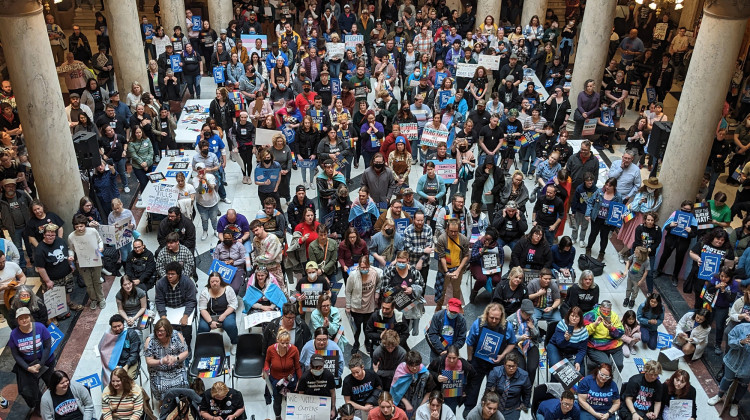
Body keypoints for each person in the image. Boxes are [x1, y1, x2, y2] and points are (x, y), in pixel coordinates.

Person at [463, 303, 516, 416]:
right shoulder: (478, 324)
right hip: (478, 361)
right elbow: (469, 343)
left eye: (497, 318)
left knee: (493, 388)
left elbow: (512, 343)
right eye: (491, 317)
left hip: (496, 363)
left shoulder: (507, 326)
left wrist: (502, 356)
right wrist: (470, 360)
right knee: (473, 385)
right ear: (486, 314)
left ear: (501, 317)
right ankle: (469, 408)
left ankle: (489, 411)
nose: (493, 320)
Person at [9, 307, 56, 413]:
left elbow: (47, 347)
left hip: (45, 363)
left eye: (26, 317)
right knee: (31, 390)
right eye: (21, 318)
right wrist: (28, 368)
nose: (24, 320)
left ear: (30, 317)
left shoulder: (40, 327)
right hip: (28, 366)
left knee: (52, 382)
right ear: (17, 320)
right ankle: (40, 407)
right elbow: (16, 355)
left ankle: (56, 400)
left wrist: (40, 364)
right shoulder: (14, 334)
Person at [35, 223, 81, 320]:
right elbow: (40, 268)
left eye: (53, 235)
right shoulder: (40, 249)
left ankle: (69, 303)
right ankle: (53, 317)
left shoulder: (60, 241)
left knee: (68, 290)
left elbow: (65, 254)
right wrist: (47, 281)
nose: (50, 237)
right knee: (53, 298)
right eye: (48, 235)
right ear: (44, 235)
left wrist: (71, 264)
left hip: (66, 273)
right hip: (52, 278)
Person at [144, 318, 189, 406]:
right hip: (159, 370)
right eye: (157, 331)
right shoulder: (150, 340)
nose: (159, 333)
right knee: (161, 387)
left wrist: (176, 358)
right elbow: (148, 361)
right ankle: (164, 405)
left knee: (184, 382)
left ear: (168, 331)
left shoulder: (177, 336)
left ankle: (182, 404)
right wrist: (161, 361)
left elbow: (185, 352)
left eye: (161, 331)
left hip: (176, 367)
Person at [154, 261, 197, 351]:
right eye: (168, 274)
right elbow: (159, 301)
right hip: (168, 308)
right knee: (162, 327)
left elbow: (191, 300)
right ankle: (166, 347)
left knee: (186, 327)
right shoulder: (160, 283)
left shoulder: (187, 282)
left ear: (178, 275)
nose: (169, 276)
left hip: (183, 307)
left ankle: (186, 348)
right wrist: (163, 316)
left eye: (172, 274)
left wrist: (186, 315)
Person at [68, 214, 105, 310]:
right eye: (77, 227)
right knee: (88, 283)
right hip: (82, 262)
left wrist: (101, 248)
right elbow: (70, 249)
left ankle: (101, 299)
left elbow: (99, 240)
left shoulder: (92, 231)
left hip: (95, 259)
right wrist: (71, 256)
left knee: (97, 281)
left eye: (81, 226)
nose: (79, 229)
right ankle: (93, 299)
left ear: (85, 224)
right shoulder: (71, 236)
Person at [264, 329, 302, 420]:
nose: (285, 345)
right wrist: (265, 369)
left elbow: (297, 366)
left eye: (287, 343)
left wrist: (300, 381)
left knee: (292, 400)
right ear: (278, 341)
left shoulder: (294, 350)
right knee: (277, 401)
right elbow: (267, 361)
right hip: (276, 380)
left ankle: (292, 417)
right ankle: (278, 417)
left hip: (290, 379)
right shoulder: (271, 349)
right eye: (282, 343)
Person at [198, 272, 239, 353]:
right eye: (212, 282)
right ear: (209, 282)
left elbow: (234, 305)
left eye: (217, 281)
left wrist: (224, 315)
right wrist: (210, 322)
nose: (214, 283)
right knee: (203, 327)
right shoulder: (205, 292)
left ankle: (234, 343)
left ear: (220, 281)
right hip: (210, 314)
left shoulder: (228, 289)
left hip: (225, 312)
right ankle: (203, 345)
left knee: (230, 325)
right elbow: (202, 309)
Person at [585, 177, 623, 262]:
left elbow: (619, 210)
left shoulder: (618, 196)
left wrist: (617, 222)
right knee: (593, 234)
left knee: (604, 237)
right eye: (606, 184)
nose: (607, 187)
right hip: (597, 218)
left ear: (614, 186)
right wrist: (588, 214)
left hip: (607, 222)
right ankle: (588, 248)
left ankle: (602, 253)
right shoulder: (599, 192)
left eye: (610, 185)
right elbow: (590, 202)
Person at [435, 219, 469, 310]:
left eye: (456, 231)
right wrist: (446, 271)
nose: (454, 234)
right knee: (442, 289)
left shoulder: (463, 239)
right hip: (444, 269)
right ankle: (439, 305)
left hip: (457, 268)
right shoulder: (442, 239)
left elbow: (466, 256)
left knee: (456, 289)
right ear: (447, 229)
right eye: (451, 231)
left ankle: (457, 305)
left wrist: (458, 271)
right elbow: (442, 256)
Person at [99, 314, 141, 383]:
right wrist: (113, 366)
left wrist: (126, 366)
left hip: (130, 362)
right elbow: (104, 351)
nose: (117, 329)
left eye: (119, 326)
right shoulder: (109, 336)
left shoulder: (131, 334)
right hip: (114, 363)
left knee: (126, 379)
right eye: (114, 327)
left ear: (123, 324)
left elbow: (134, 353)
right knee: (111, 379)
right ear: (111, 327)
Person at [583, 301, 625, 371]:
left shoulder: (614, 316)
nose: (606, 313)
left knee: (619, 365)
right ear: (600, 308)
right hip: (596, 347)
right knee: (606, 365)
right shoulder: (591, 315)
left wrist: (611, 328)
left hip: (614, 345)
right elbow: (583, 332)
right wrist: (595, 324)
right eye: (603, 310)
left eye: (608, 311)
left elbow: (620, 333)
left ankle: (613, 379)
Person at [547, 306, 589, 374]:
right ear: (568, 315)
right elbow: (560, 344)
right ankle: (554, 384)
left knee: (580, 371)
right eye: (572, 316)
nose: (574, 318)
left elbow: (582, 350)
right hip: (556, 347)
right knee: (557, 369)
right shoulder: (562, 324)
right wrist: (566, 339)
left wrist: (577, 362)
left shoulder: (583, 331)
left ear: (580, 319)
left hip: (572, 352)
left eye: (577, 317)